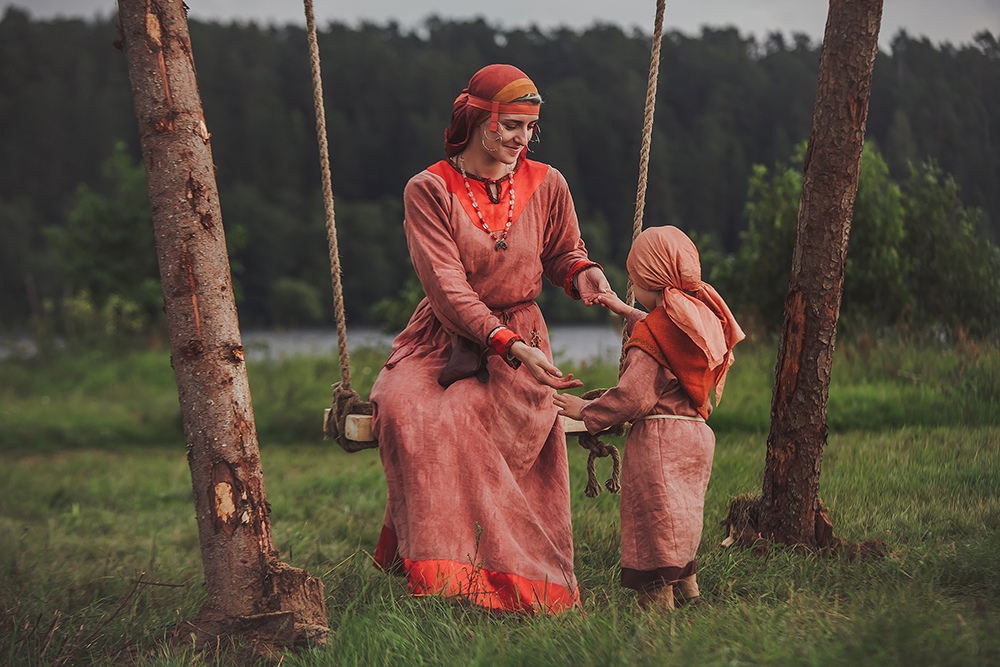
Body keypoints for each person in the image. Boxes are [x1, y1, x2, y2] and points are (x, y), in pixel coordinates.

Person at [368, 63, 613, 614]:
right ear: (480, 120)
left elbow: (563, 253)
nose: (521, 140)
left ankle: (510, 577)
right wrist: (506, 344)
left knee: (463, 416)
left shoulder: (548, 183)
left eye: (531, 129)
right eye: (511, 126)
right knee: (406, 408)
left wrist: (582, 274)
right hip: (445, 337)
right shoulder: (428, 189)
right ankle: (440, 571)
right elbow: (449, 292)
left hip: (521, 339)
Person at [554, 225, 745, 611]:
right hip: (695, 437)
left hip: (660, 441)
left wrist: (586, 412)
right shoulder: (699, 317)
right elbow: (660, 325)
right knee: (683, 515)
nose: (632, 287)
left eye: (634, 280)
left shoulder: (654, 336)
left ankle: (657, 606)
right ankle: (689, 590)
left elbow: (634, 397)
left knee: (654, 520)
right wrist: (623, 308)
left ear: (648, 281)